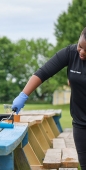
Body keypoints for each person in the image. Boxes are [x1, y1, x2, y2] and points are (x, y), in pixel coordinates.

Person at [12, 27, 86, 169]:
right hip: (80, 124)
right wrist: (23, 95)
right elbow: (44, 72)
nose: (81, 52)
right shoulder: (71, 53)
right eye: (80, 46)